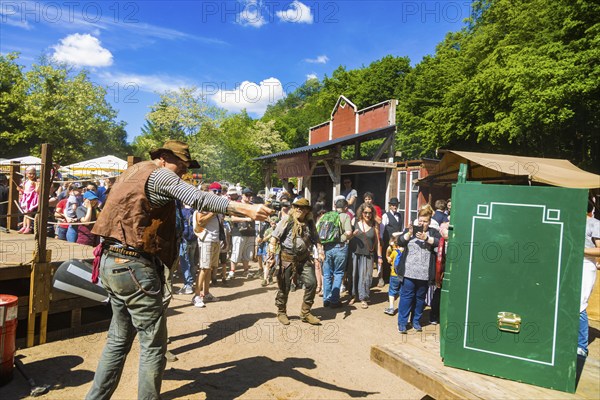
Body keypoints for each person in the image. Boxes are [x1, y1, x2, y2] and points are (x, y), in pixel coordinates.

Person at [86, 140, 270, 400]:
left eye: (185, 167)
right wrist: (243, 207)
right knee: (153, 347)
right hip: (134, 267)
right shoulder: (159, 174)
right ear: (162, 157)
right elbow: (196, 197)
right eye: (180, 165)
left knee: (117, 341)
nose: (183, 172)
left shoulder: (132, 171)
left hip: (112, 263)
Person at [266, 198, 320, 326]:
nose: (299, 209)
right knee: (284, 287)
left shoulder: (310, 223)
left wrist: (320, 249)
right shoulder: (287, 220)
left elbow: (316, 238)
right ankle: (281, 312)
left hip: (304, 258)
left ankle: (305, 313)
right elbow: (274, 238)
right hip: (287, 259)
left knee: (312, 283)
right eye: (297, 207)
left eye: (302, 208)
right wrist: (271, 255)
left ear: (307, 211)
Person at [396, 204, 441, 333]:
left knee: (420, 298)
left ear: (430, 221)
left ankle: (416, 321)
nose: (422, 223)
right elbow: (399, 242)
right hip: (409, 271)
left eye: (425, 221)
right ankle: (402, 323)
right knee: (406, 297)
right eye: (420, 220)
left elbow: (439, 242)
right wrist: (409, 233)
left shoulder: (433, 232)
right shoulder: (410, 230)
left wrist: (426, 238)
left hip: (424, 273)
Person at [318, 198, 353, 308]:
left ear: (335, 206)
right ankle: (334, 300)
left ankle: (326, 299)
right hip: (340, 248)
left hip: (327, 247)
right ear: (346, 207)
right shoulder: (345, 216)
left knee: (327, 274)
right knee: (338, 273)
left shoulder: (327, 216)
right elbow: (348, 232)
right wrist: (340, 238)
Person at [349, 203, 383, 309]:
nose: (368, 215)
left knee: (366, 276)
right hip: (355, 253)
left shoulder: (375, 225)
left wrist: (380, 257)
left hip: (368, 254)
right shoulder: (354, 222)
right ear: (361, 212)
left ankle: (363, 298)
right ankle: (354, 295)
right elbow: (348, 238)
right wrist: (352, 235)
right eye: (365, 212)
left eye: (370, 212)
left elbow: (377, 242)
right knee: (354, 275)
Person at [579, 201, 600, 357]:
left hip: (587, 265)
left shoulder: (595, 223)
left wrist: (580, 249)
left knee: (580, 303)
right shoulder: (571, 221)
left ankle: (581, 346)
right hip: (571, 264)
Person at [227, 187, 257, 279]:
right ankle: (232, 272)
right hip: (238, 232)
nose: (249, 197)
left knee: (248, 253)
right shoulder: (237, 205)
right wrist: (246, 219)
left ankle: (246, 271)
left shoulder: (252, 205)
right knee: (236, 252)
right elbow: (233, 218)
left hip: (250, 232)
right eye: (247, 195)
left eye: (250, 195)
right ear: (242, 195)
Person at [384, 232, 403, 315]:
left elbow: (389, 260)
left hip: (394, 274)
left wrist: (388, 257)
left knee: (392, 291)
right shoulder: (405, 251)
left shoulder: (394, 252)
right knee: (402, 291)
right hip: (403, 275)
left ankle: (391, 307)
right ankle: (402, 307)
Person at [19, 166, 39, 234]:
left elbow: (36, 190)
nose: (32, 175)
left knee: (28, 213)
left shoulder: (34, 182)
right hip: (26, 198)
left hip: (31, 198)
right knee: (25, 213)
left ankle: (28, 227)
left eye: (33, 173)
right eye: (30, 173)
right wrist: (20, 190)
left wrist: (36, 185)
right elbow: (25, 191)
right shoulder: (26, 182)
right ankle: (24, 226)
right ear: (27, 174)